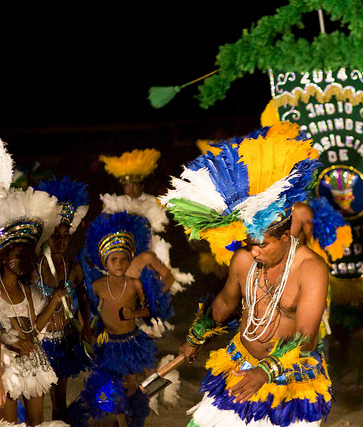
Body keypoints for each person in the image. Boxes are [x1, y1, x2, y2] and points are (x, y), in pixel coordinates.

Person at [162, 122, 332, 426]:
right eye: (250, 244)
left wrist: (264, 373)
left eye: (262, 245)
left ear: (285, 236)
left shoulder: (311, 269)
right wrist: (195, 337)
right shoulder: (243, 260)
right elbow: (225, 304)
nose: (254, 252)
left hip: (288, 382)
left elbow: (305, 339)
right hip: (240, 365)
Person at [79, 211, 158, 426]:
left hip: (132, 342)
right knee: (112, 387)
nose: (119, 264)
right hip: (109, 344)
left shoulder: (134, 284)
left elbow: (149, 310)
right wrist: (87, 328)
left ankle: (130, 417)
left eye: (123, 259)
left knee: (130, 385)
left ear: (130, 261)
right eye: (113, 260)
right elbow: (86, 310)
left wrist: (136, 313)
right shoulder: (98, 286)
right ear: (105, 263)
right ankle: (121, 421)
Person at [0, 186, 67, 426]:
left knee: (36, 421)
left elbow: (36, 327)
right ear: (3, 257)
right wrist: (12, 342)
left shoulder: (28, 292)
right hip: (6, 366)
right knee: (7, 422)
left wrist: (54, 300)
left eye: (28, 256)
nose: (24, 261)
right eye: (19, 255)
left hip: (34, 361)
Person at [34, 177, 94, 421]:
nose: (60, 241)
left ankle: (60, 423)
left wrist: (86, 326)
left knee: (60, 395)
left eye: (65, 236)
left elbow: (84, 298)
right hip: (42, 342)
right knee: (39, 396)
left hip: (66, 340)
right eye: (55, 236)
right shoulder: (35, 269)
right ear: (45, 236)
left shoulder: (73, 268)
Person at [99, 148, 194, 294]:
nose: (131, 189)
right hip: (121, 249)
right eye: (128, 185)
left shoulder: (153, 202)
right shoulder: (115, 203)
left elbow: (161, 227)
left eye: (135, 184)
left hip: (148, 248)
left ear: (141, 185)